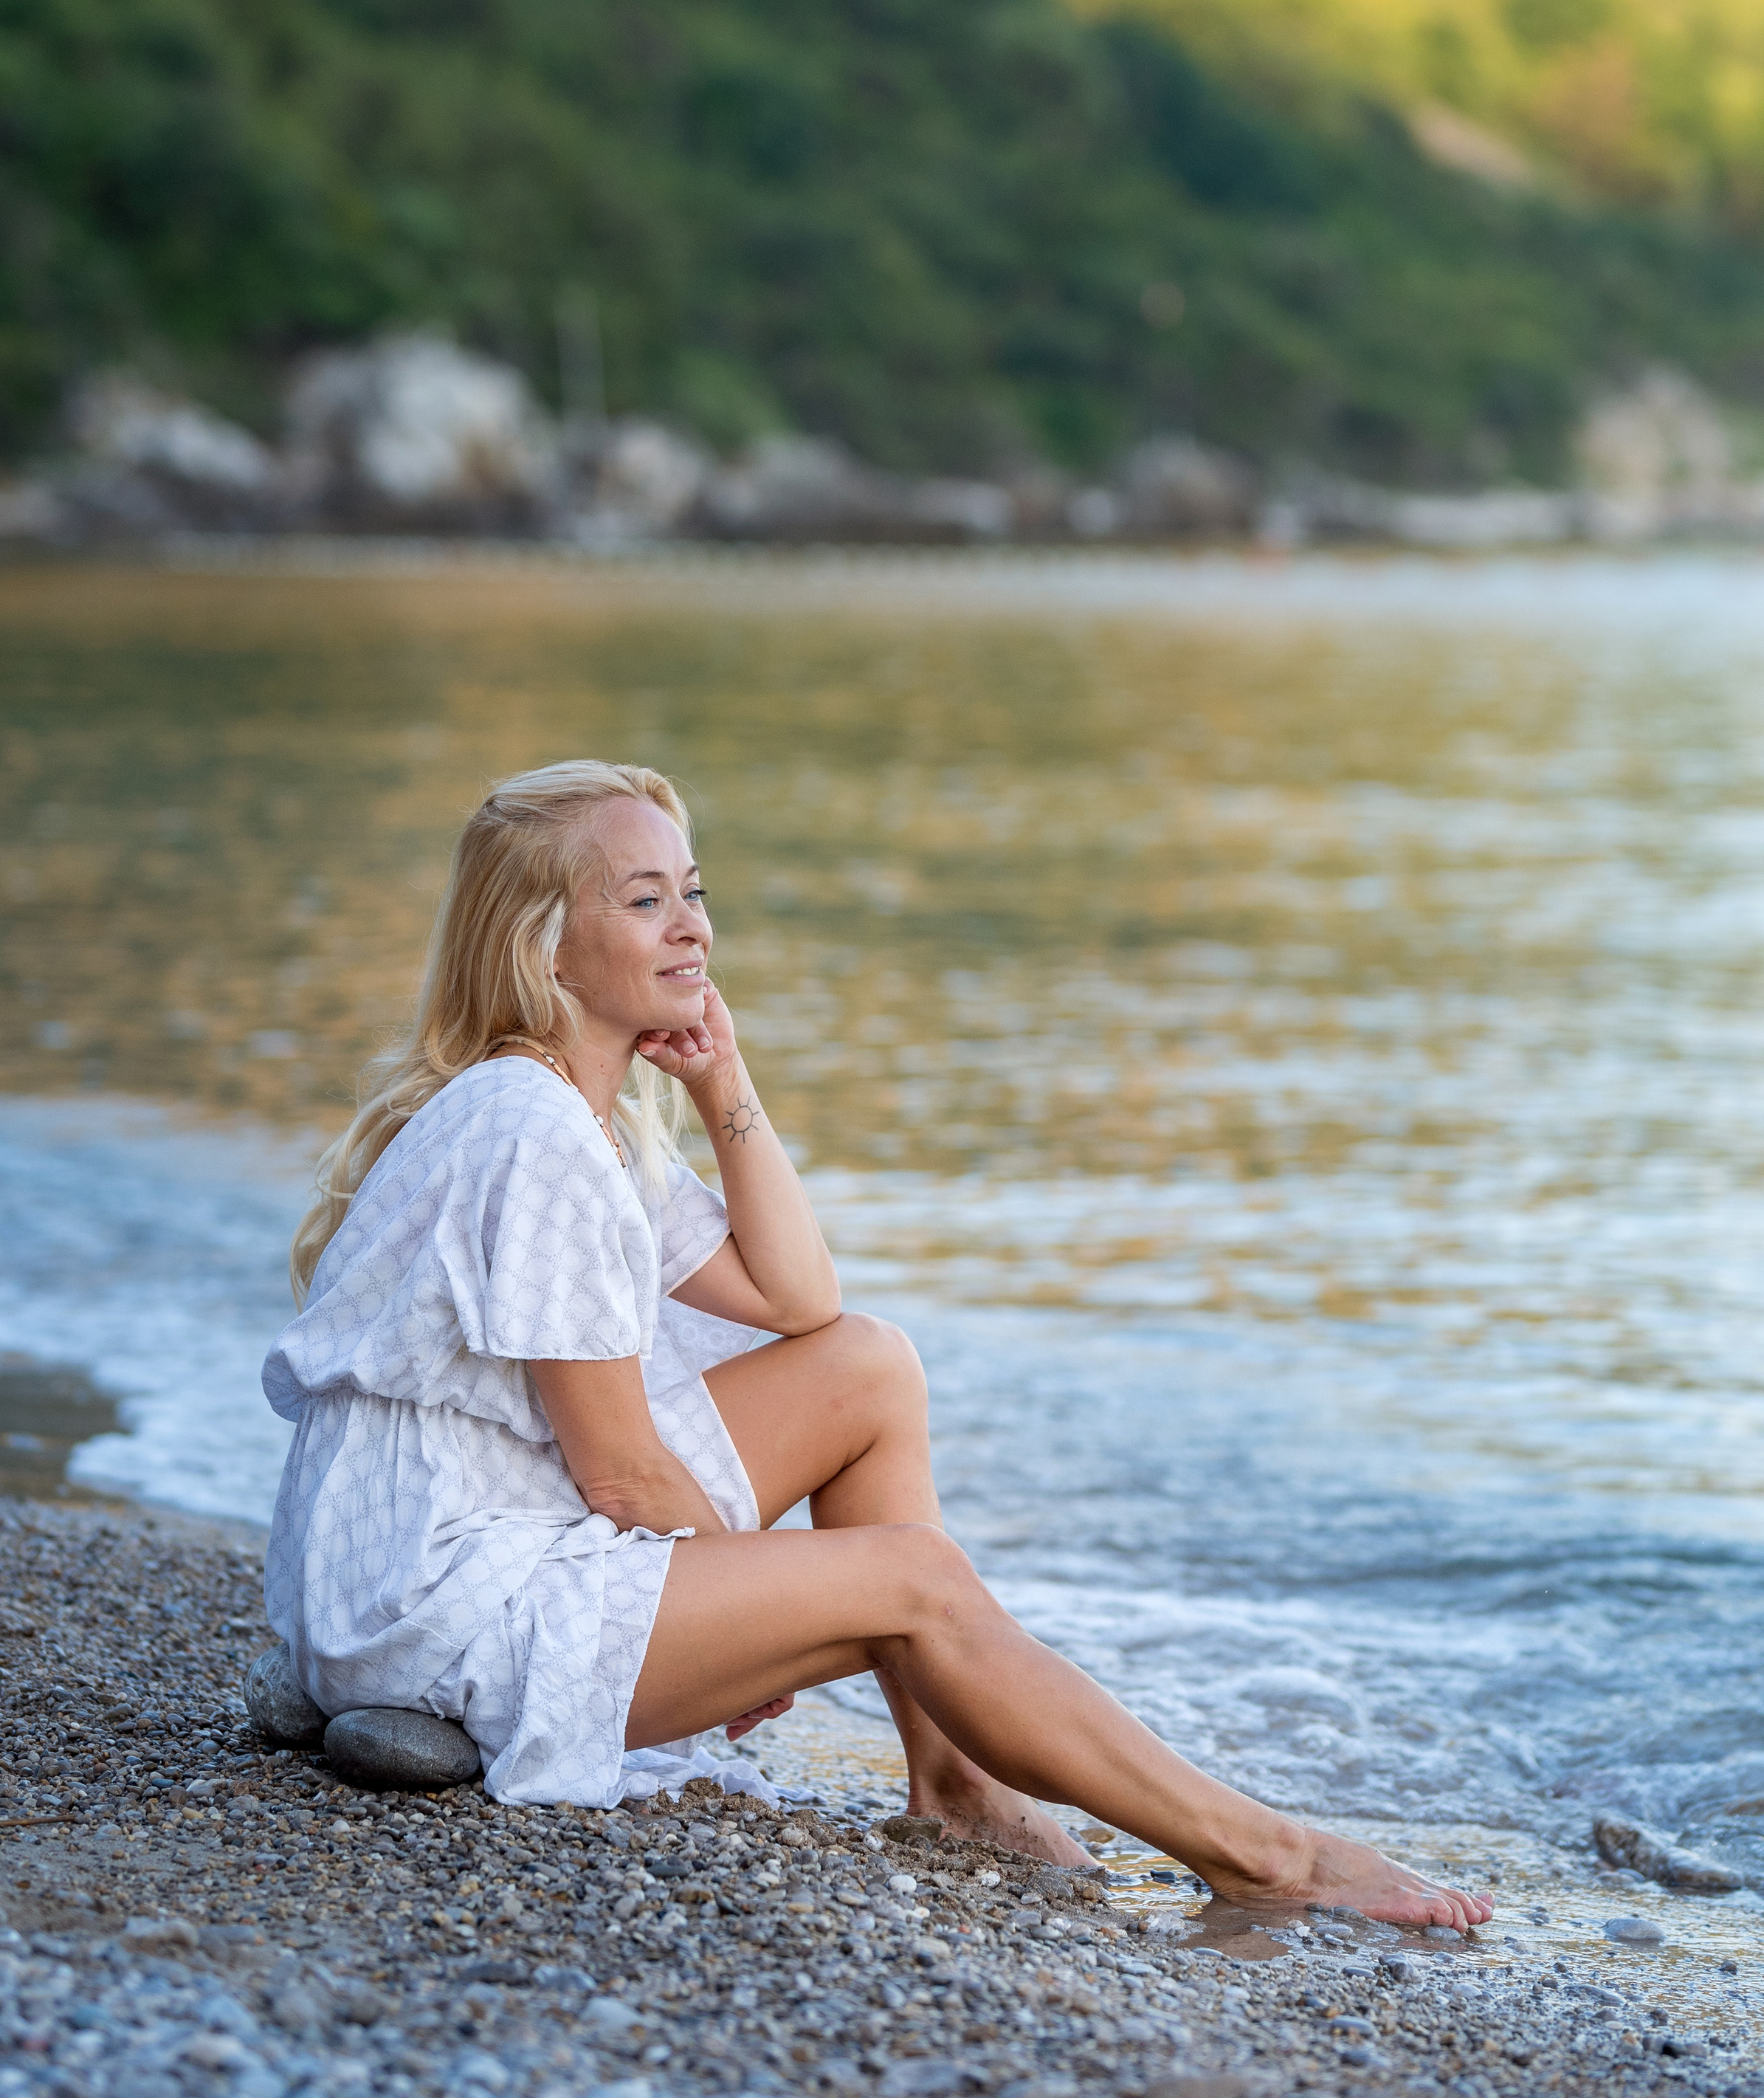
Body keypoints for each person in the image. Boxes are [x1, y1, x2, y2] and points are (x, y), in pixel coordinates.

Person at [263, 759, 1488, 1927]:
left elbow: (801, 1300)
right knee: (915, 1580)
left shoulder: (582, 1120)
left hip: (481, 1531)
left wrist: (719, 1078)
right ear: (543, 946)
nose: (691, 926)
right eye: (645, 902)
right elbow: (623, 1475)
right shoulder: (530, 1129)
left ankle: (961, 1787)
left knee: (869, 1366)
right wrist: (755, 1609)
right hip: (434, 1604)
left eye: (693, 894)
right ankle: (1269, 1855)